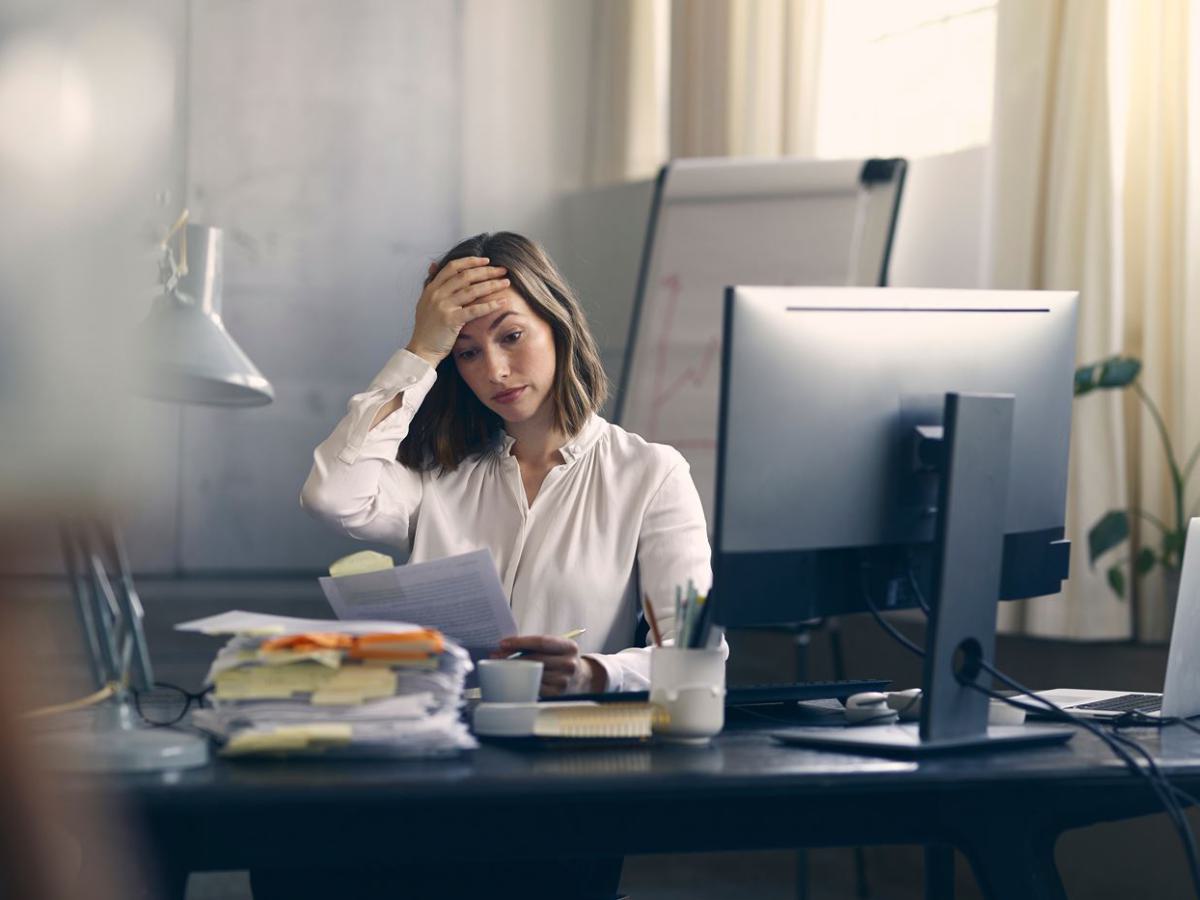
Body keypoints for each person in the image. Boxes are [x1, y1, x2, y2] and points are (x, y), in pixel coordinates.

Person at [301, 231, 725, 696]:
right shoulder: (435, 475)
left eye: (512, 336)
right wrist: (421, 350)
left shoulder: (651, 474)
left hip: (568, 735)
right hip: (442, 731)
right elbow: (333, 498)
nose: (495, 371)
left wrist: (591, 673)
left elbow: (697, 655)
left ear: (557, 325)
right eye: (467, 352)